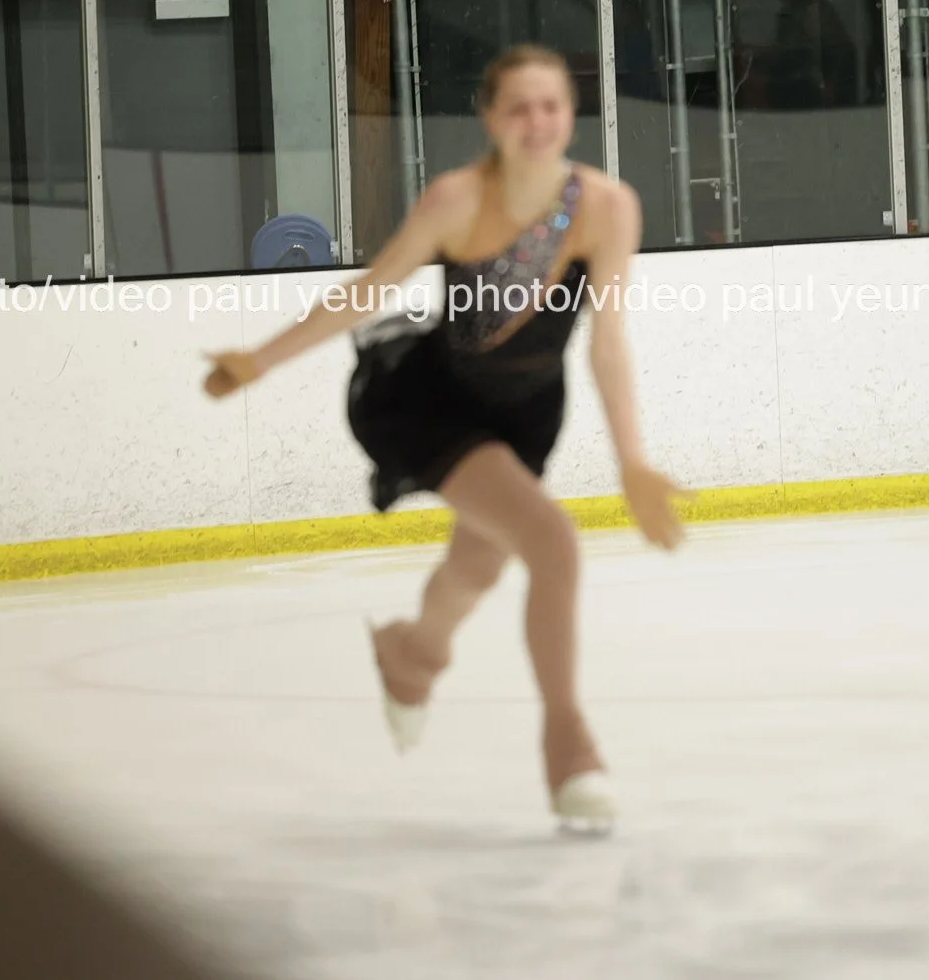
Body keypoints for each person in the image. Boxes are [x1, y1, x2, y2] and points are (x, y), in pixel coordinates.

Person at [201, 43, 691, 832]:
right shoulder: (456, 200)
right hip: (432, 401)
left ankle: (415, 655)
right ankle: (568, 743)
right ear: (491, 118)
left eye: (552, 105)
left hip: (526, 414)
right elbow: (370, 291)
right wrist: (258, 360)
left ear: (571, 115)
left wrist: (631, 459)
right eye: (519, 107)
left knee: (478, 563)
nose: (537, 121)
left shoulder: (607, 207)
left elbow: (608, 341)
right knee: (553, 543)